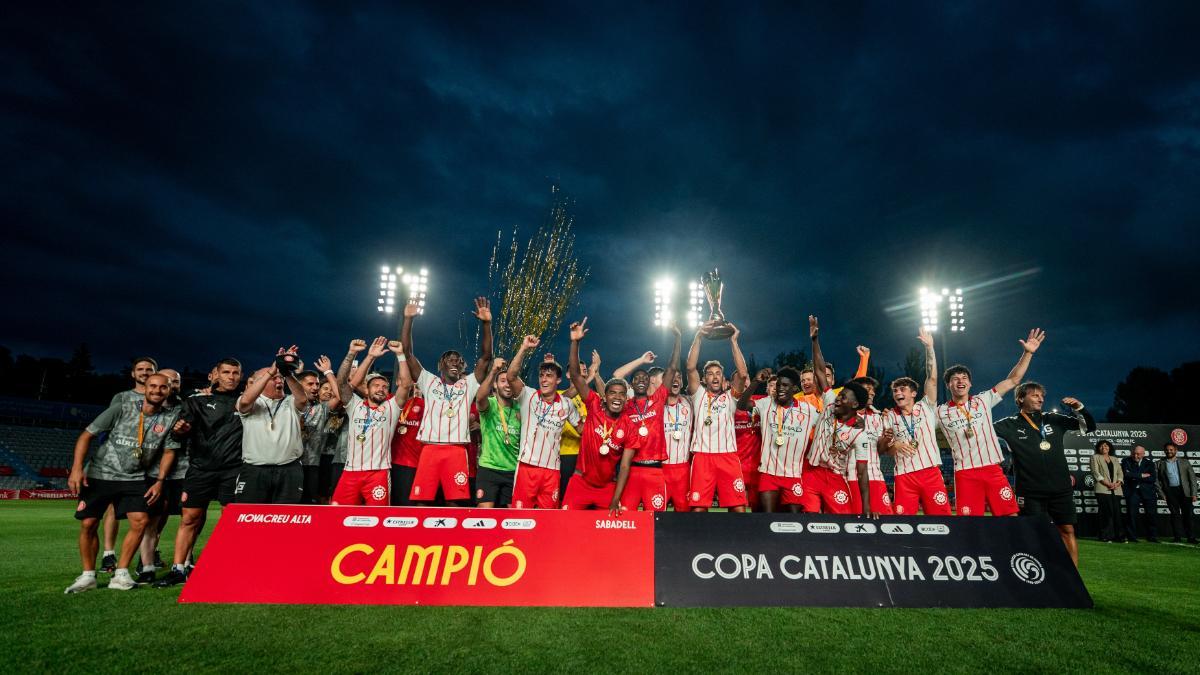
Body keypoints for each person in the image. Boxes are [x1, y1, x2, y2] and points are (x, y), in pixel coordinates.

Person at [66, 373, 180, 593]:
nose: (157, 391)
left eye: (163, 387)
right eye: (153, 386)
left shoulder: (170, 418)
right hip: (101, 474)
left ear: (169, 390)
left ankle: (121, 574)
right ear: (145, 388)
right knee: (89, 524)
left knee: (140, 521)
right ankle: (88, 575)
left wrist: (159, 481)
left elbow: (168, 452)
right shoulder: (122, 408)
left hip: (134, 477)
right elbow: (86, 436)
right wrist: (77, 469)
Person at [936, 328, 1045, 516]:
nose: (960, 381)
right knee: (970, 525)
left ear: (970, 384)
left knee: (1011, 517)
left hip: (992, 469)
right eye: (955, 379)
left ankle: (1013, 547)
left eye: (964, 378)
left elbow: (1013, 380)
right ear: (948, 385)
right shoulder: (940, 412)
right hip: (965, 473)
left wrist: (1027, 353)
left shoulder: (983, 399)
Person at [155, 358, 244, 587]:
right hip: (200, 469)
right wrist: (181, 430)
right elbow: (177, 434)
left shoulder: (246, 401)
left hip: (233, 469)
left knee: (231, 520)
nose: (231, 377)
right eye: (226, 372)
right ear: (215, 374)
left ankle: (227, 566)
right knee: (189, 518)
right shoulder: (196, 400)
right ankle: (178, 568)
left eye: (235, 373)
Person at [402, 298, 494, 505]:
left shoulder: (468, 384)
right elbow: (407, 354)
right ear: (440, 365)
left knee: (455, 503)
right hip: (430, 449)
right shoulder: (429, 381)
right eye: (449, 359)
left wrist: (486, 324)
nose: (455, 362)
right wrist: (408, 320)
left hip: (456, 450)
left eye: (459, 360)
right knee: (422, 502)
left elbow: (486, 357)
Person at [993, 383, 1096, 566]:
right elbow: (980, 432)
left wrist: (1079, 408)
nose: (1040, 398)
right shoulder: (1009, 424)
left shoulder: (1053, 419)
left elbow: (1089, 427)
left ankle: (1073, 578)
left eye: (1041, 395)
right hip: (1030, 491)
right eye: (1034, 395)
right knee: (1031, 533)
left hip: (1060, 489)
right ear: (1020, 399)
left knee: (1067, 530)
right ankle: (1039, 576)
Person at [560, 322, 639, 510]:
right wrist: (575, 343)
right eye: (613, 393)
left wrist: (615, 499)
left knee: (609, 536)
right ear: (605, 397)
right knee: (566, 529)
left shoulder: (629, 426)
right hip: (580, 483)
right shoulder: (594, 405)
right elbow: (577, 377)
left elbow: (625, 467)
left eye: (622, 394)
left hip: (607, 488)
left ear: (626, 400)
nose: (618, 397)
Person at [800, 316, 873, 515]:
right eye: (839, 395)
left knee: (844, 522)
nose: (838, 399)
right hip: (811, 472)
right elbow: (820, 372)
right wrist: (815, 340)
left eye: (843, 398)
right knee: (809, 519)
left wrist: (867, 507)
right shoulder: (830, 402)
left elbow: (862, 472)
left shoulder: (859, 434)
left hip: (834, 477)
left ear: (856, 405)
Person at [234, 349, 323, 505]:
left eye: (279, 378)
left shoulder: (290, 401)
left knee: (286, 521)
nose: (278, 380)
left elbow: (302, 399)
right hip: (255, 470)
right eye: (272, 378)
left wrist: (286, 371)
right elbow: (245, 402)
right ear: (258, 383)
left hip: (289, 470)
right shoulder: (252, 401)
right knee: (250, 520)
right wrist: (271, 371)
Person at [609, 320, 680, 513]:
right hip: (631, 470)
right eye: (637, 379)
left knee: (657, 521)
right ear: (632, 384)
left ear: (649, 382)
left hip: (655, 470)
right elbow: (617, 374)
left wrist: (677, 337)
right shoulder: (626, 403)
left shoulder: (657, 399)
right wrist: (641, 361)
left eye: (644, 379)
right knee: (625, 518)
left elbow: (672, 369)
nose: (641, 380)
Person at [880, 328, 951, 516]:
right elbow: (886, 449)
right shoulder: (889, 416)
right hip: (904, 475)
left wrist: (930, 348)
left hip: (930, 472)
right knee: (903, 523)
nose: (897, 393)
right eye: (895, 391)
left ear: (913, 393)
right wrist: (895, 444)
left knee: (942, 518)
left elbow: (932, 378)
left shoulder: (926, 406)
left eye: (902, 389)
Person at [332, 338, 410, 505]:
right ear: (366, 389)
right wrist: (358, 354)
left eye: (384, 386)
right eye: (376, 385)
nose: (381, 389)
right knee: (337, 516)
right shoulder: (355, 405)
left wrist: (401, 355)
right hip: (350, 472)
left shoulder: (392, 407)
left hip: (378, 473)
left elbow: (405, 385)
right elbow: (341, 383)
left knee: (378, 518)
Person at [507, 335, 582, 508]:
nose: (544, 379)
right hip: (527, 467)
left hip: (552, 470)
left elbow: (581, 429)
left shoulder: (567, 404)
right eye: (541, 375)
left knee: (548, 518)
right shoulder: (529, 395)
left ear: (558, 380)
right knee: (520, 517)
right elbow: (511, 376)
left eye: (549, 376)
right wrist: (524, 348)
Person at [99, 356, 158, 572]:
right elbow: (109, 426)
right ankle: (108, 553)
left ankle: (148, 555)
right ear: (133, 374)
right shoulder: (121, 398)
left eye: (149, 369)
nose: (144, 372)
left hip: (151, 461)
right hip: (123, 459)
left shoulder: (163, 396)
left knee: (149, 513)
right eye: (140, 369)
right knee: (113, 507)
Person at [684, 322, 750, 512]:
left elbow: (744, 374)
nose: (714, 377)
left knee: (738, 508)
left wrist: (734, 342)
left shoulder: (731, 397)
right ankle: (701, 542)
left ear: (723, 379)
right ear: (704, 379)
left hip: (728, 456)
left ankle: (737, 542)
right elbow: (690, 368)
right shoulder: (699, 395)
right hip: (703, 458)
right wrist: (698, 337)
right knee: (698, 509)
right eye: (710, 374)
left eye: (718, 373)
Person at [737, 367, 818, 513]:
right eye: (779, 385)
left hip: (793, 475)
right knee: (769, 518)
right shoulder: (766, 403)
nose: (780, 388)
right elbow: (741, 405)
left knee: (795, 522)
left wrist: (857, 418)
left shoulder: (809, 410)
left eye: (785, 386)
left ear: (794, 388)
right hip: (768, 473)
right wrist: (755, 382)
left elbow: (828, 422)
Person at [136, 368, 187, 582]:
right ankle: (146, 566)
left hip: (182, 470)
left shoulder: (187, 407)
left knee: (189, 517)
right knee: (150, 519)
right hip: (152, 472)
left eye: (175, 382)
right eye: (167, 381)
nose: (172, 385)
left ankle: (184, 562)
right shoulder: (141, 407)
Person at [474, 358, 520, 508]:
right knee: (485, 518)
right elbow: (480, 397)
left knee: (511, 521)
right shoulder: (490, 404)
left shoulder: (520, 409)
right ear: (495, 384)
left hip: (512, 470)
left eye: (509, 381)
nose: (507, 384)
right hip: (489, 469)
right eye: (502, 381)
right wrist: (493, 370)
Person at [297, 358, 342, 504]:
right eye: (310, 384)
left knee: (310, 505)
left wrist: (328, 372)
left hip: (312, 464)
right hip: (289, 464)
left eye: (317, 384)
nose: (315, 387)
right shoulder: (286, 403)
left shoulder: (321, 408)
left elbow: (339, 396)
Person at [388, 381, 424, 506]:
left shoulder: (422, 404)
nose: (412, 386)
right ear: (398, 381)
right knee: (388, 502)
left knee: (405, 504)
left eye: (416, 385)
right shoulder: (389, 400)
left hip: (411, 463)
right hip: (386, 463)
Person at [662, 370, 693, 511]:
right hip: (661, 469)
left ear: (681, 383)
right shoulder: (655, 405)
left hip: (683, 469)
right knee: (657, 513)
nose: (676, 380)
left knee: (683, 513)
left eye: (679, 377)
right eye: (672, 378)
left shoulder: (690, 403)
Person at [1156, 443, 1197, 543]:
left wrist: (1194, 493)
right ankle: (1177, 537)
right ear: (1164, 451)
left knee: (1188, 515)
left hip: (1185, 492)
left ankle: (1190, 537)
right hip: (1170, 492)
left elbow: (1192, 479)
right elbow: (1156, 481)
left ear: (1175, 450)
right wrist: (1162, 494)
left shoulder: (1185, 462)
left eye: (1171, 450)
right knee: (1174, 515)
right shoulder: (1159, 463)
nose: (1169, 451)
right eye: (1167, 450)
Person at [1120, 445, 1159, 542]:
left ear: (1143, 454)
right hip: (1133, 492)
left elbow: (1152, 478)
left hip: (1148, 492)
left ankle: (1152, 537)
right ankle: (1132, 537)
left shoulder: (1149, 463)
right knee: (1131, 515)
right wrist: (1142, 475)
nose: (1135, 456)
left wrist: (1134, 476)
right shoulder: (1126, 461)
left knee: (1151, 515)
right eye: (1134, 453)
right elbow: (1126, 475)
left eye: (1138, 454)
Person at [1090, 440, 1125, 542]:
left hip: (1116, 489)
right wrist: (1108, 484)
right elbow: (1095, 473)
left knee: (1117, 513)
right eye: (1101, 446)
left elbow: (1120, 473)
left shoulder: (1114, 458)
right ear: (1098, 448)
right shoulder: (1095, 457)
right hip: (1102, 489)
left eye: (1106, 446)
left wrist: (1118, 483)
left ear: (1109, 447)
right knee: (1106, 513)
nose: (1104, 447)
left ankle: (1119, 537)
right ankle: (1105, 536)